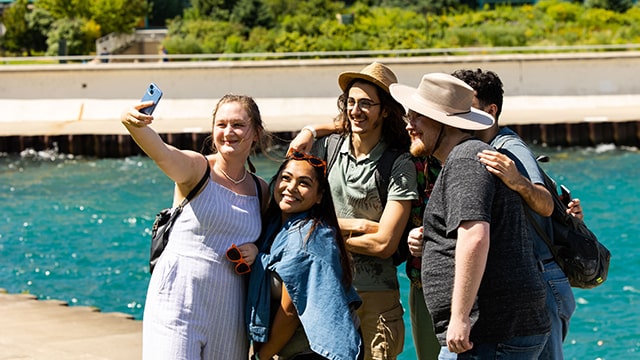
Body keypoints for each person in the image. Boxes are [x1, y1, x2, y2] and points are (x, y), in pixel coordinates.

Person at [390, 73, 550, 358]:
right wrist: (433, 242)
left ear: (443, 122)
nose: (409, 126)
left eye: (417, 117)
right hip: (495, 330)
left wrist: (461, 317)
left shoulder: (465, 160)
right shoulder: (466, 158)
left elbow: (475, 236)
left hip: (487, 333)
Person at [121, 94, 270, 359]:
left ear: (256, 133)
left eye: (238, 125)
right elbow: (163, 154)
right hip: (177, 299)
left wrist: (256, 251)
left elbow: (275, 243)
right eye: (221, 124)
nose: (228, 132)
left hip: (230, 309)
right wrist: (134, 124)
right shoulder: (196, 169)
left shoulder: (261, 190)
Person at [291, 62, 418, 360]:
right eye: (351, 102)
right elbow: (294, 213)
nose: (355, 110)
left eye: (366, 104)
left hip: (375, 298)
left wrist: (321, 235)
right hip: (325, 289)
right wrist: (360, 225)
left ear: (385, 110)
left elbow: (384, 244)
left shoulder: (399, 164)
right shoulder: (328, 149)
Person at [452, 68, 579, 359]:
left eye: (466, 103)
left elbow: (545, 204)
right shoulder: (480, 148)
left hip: (542, 279)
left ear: (491, 109)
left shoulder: (510, 148)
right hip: (532, 281)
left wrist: (517, 181)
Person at [246, 150, 363, 360]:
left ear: (319, 197)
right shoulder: (274, 225)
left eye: (304, 183)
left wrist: (261, 357)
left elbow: (290, 312)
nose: (291, 187)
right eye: (286, 178)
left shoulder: (306, 239)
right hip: (294, 349)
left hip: (316, 352)